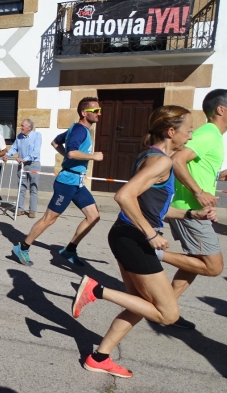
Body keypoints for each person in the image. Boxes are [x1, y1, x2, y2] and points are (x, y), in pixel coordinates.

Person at [72, 105, 217, 378]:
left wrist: (190, 213)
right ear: (171, 131)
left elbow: (152, 206)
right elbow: (124, 196)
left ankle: (99, 357)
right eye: (188, 129)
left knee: (140, 304)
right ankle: (96, 290)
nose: (192, 133)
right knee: (168, 314)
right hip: (135, 239)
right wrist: (151, 234)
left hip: (126, 236)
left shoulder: (153, 156)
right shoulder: (160, 161)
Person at [158, 89, 227, 329]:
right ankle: (151, 253)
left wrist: (221, 175)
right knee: (213, 266)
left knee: (194, 263)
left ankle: (166, 310)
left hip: (195, 208)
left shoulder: (214, 137)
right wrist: (199, 192)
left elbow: (198, 166)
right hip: (189, 208)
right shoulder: (209, 133)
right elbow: (177, 160)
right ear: (221, 109)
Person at [12, 98, 103, 266]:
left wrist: (69, 158)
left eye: (99, 110)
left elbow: (55, 142)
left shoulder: (77, 129)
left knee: (94, 216)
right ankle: (22, 247)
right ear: (84, 113)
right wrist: (92, 156)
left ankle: (70, 249)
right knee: (49, 219)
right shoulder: (80, 130)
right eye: (95, 111)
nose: (99, 114)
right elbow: (72, 153)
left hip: (77, 182)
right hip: (67, 182)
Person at [4, 119, 42, 218]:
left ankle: (32, 210)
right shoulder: (19, 136)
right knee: (21, 187)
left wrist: (24, 159)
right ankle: (20, 209)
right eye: (21, 125)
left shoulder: (37, 136)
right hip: (22, 165)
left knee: (33, 188)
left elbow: (35, 152)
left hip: (33, 164)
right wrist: (7, 154)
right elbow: (14, 147)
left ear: (29, 127)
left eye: (23, 125)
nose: (21, 127)